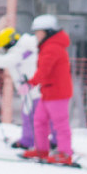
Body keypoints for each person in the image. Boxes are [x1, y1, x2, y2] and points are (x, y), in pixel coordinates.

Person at [20, 14, 75, 165]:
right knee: (39, 120)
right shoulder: (48, 46)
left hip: (57, 93)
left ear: (48, 32)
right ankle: (41, 149)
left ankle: (65, 153)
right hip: (48, 92)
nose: (36, 35)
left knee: (60, 124)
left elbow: (44, 71)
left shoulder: (52, 48)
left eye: (39, 32)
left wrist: (30, 84)